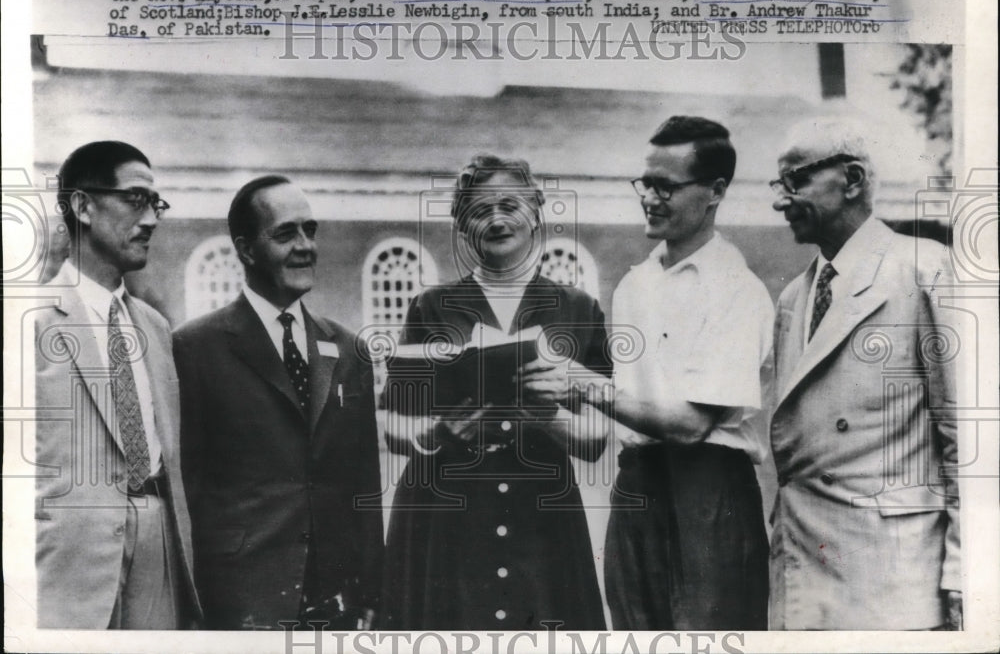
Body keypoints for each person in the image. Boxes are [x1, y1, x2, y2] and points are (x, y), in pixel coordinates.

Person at [381, 154, 611, 631]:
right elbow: (391, 419)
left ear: (536, 211)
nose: (497, 219)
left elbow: (595, 439)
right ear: (463, 227)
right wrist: (435, 431)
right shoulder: (431, 305)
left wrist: (544, 412)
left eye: (510, 204)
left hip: (540, 512)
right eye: (479, 211)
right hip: (446, 509)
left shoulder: (577, 307)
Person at [577, 116, 772, 630]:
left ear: (715, 192)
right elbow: (622, 414)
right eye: (646, 183)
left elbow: (689, 426)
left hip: (708, 492)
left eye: (666, 186)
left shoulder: (736, 288)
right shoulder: (633, 286)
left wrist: (581, 385)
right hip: (637, 485)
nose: (650, 198)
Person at [767, 119, 961, 630]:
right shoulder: (792, 299)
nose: (780, 201)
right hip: (806, 582)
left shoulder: (924, 271)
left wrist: (966, 573)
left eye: (794, 181)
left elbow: (970, 436)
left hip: (894, 589)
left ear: (851, 179)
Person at [173, 175, 383, 630]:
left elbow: (365, 483)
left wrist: (370, 594)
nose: (305, 245)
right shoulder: (196, 348)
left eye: (311, 230)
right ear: (247, 250)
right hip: (241, 602)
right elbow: (188, 487)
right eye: (286, 234)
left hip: (336, 604)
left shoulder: (348, 349)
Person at [34, 141, 200, 628]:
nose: (151, 219)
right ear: (83, 205)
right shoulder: (26, 319)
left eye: (156, 204)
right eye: (135, 199)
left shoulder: (154, 326)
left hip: (159, 543)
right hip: (67, 561)